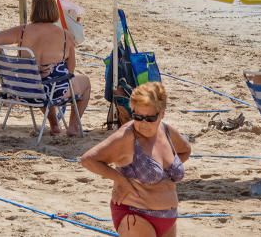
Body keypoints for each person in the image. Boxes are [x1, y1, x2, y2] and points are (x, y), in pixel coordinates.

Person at [80, 82, 191, 237]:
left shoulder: (166, 131)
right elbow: (88, 160)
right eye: (138, 116)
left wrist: (166, 172)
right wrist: (121, 181)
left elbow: (185, 150)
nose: (143, 123)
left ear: (162, 114)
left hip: (168, 217)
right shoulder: (127, 136)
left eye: (150, 118)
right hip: (136, 214)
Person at [0, 0, 91, 135]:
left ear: (34, 10)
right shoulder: (65, 35)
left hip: (24, 89)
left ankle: (54, 124)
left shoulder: (22, 31)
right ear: (54, 10)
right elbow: (70, 70)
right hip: (53, 91)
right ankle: (73, 126)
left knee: (40, 82)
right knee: (84, 82)